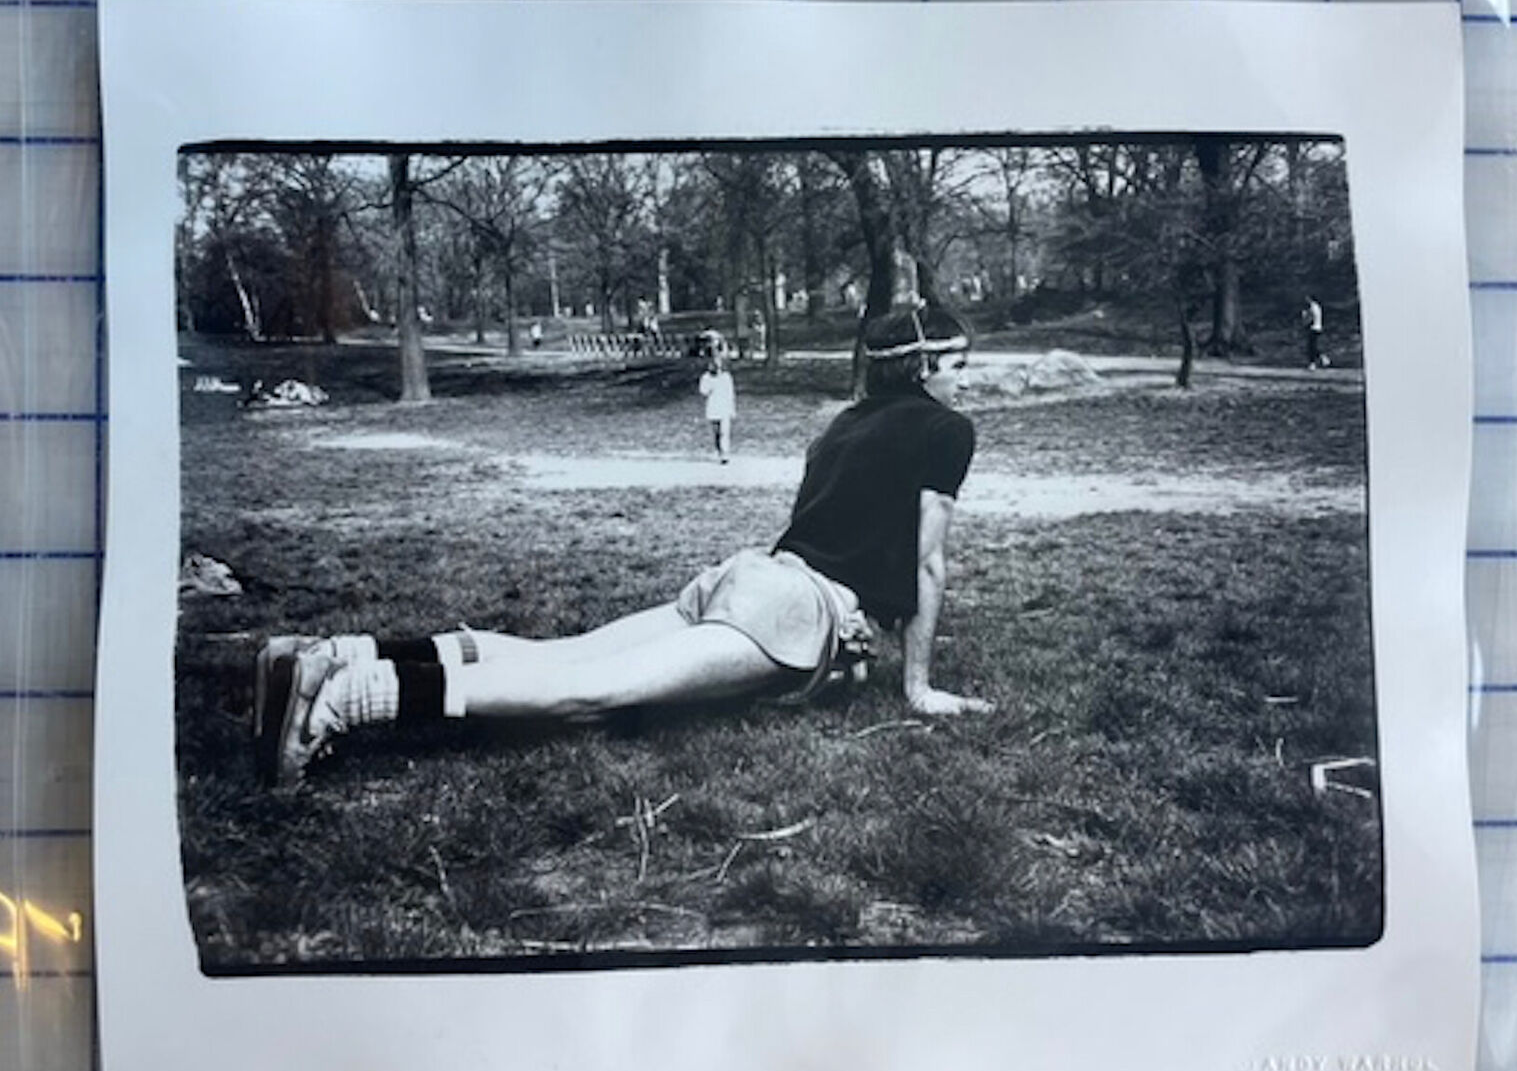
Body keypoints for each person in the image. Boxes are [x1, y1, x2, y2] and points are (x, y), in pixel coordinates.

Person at [257, 304, 993, 788]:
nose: (967, 378)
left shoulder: (839, 422)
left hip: (749, 574)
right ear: (925, 367)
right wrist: (917, 687)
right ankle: (348, 700)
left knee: (566, 653)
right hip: (798, 609)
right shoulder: (945, 430)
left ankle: (343, 650)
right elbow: (929, 561)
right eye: (958, 363)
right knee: (588, 695)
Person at [698, 346, 737, 463]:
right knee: (716, 432)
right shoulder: (706, 378)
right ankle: (719, 450)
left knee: (724, 432)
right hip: (713, 407)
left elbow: (730, 393)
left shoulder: (726, 377)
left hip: (724, 407)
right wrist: (710, 383)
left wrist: (732, 408)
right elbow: (703, 391)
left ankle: (725, 453)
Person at [1302, 296, 1329, 369]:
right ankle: (1322, 358)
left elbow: (1311, 318)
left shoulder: (1313, 307)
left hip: (1313, 328)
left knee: (1311, 347)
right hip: (1318, 327)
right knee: (1313, 346)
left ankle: (1313, 363)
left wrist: (1305, 318)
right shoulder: (1317, 307)